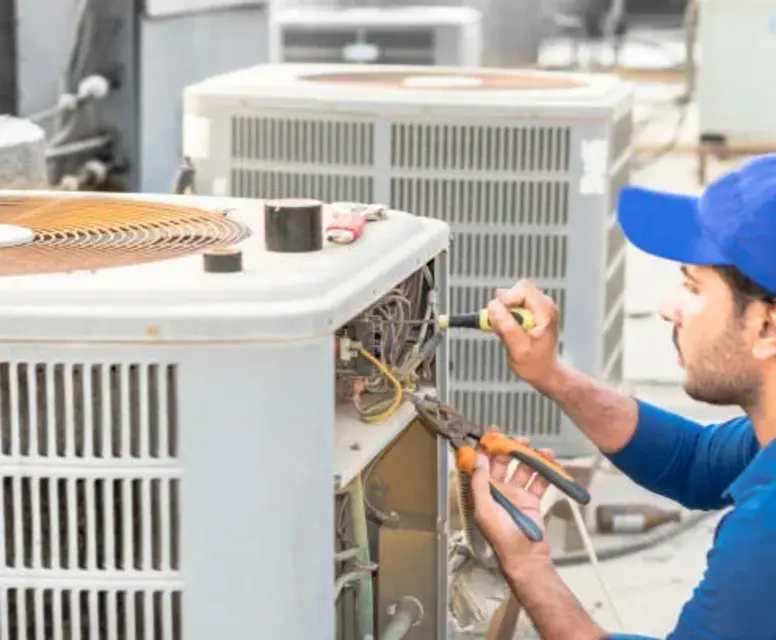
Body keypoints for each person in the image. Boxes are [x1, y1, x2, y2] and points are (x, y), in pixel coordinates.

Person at [472, 153, 776, 640]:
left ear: (765, 327)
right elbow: (694, 461)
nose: (667, 308)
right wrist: (552, 374)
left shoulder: (765, 536)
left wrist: (525, 563)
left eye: (692, 288)